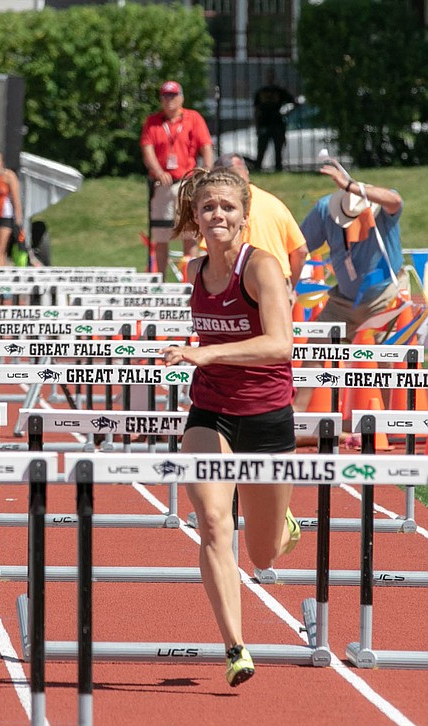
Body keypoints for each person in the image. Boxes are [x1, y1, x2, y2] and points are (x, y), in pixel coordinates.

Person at [161, 167, 300, 687]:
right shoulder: (195, 270)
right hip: (210, 412)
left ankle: (283, 527)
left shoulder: (261, 266)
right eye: (208, 207)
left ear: (245, 216)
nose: (217, 214)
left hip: (266, 417)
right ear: (195, 216)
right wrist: (198, 361)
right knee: (215, 525)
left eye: (227, 207)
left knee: (262, 554)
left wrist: (207, 351)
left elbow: (281, 345)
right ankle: (235, 647)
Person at [299, 159, 404, 341]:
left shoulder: (384, 207)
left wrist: (350, 186)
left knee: (389, 358)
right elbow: (299, 246)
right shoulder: (325, 209)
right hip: (343, 302)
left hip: (385, 296)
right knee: (314, 350)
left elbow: (395, 200)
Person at [140, 80, 214, 276]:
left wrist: (206, 171)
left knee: (190, 232)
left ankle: (191, 278)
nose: (169, 100)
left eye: (173, 95)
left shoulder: (193, 118)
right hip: (164, 184)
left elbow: (205, 145)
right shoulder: (153, 122)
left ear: (181, 97)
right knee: (161, 234)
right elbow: (147, 149)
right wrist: (158, 171)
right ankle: (161, 278)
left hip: (186, 182)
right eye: (165, 96)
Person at [217, 152, 308, 290]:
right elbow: (301, 251)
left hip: (244, 284)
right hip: (279, 281)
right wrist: (289, 288)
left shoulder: (224, 209)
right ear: (246, 172)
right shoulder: (276, 203)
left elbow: (216, 254)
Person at [0, 151, 25, 267]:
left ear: (1, 162)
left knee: (0, 249)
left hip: (5, 216)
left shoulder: (8, 176)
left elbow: (16, 199)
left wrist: (18, 221)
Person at [252, 70, 296, 172]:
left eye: (271, 76)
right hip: (264, 123)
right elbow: (256, 110)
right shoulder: (261, 92)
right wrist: (257, 126)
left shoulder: (279, 91)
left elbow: (293, 102)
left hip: (277, 123)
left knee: (278, 149)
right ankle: (258, 168)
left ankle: (278, 168)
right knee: (261, 148)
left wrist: (285, 113)